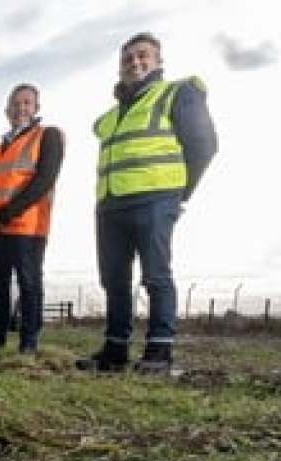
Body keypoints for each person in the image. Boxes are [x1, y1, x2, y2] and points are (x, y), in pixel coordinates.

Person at [77, 32, 218, 373]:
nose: (134, 63)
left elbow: (203, 145)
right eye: (127, 58)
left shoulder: (177, 93)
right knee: (114, 280)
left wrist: (178, 193)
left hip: (155, 199)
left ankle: (159, 352)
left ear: (158, 62)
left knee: (156, 276)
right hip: (111, 203)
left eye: (143, 56)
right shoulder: (112, 115)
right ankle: (115, 350)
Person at [0, 83, 65, 354]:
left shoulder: (47, 136)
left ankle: (28, 344)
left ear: (36, 108)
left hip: (27, 226)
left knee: (29, 284)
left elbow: (44, 180)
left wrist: (4, 215)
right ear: (6, 110)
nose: (20, 108)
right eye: (15, 104)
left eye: (26, 103)